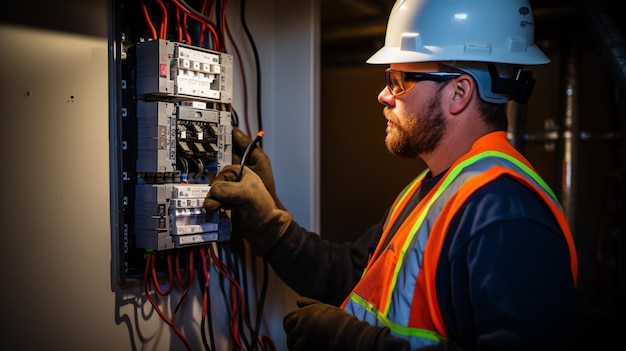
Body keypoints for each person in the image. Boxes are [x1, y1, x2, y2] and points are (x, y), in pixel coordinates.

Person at [204, 0, 584, 350]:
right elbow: (355, 275)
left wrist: (361, 345)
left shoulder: (506, 216)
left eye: (399, 79)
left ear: (459, 92)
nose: (384, 95)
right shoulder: (435, 190)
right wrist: (271, 224)